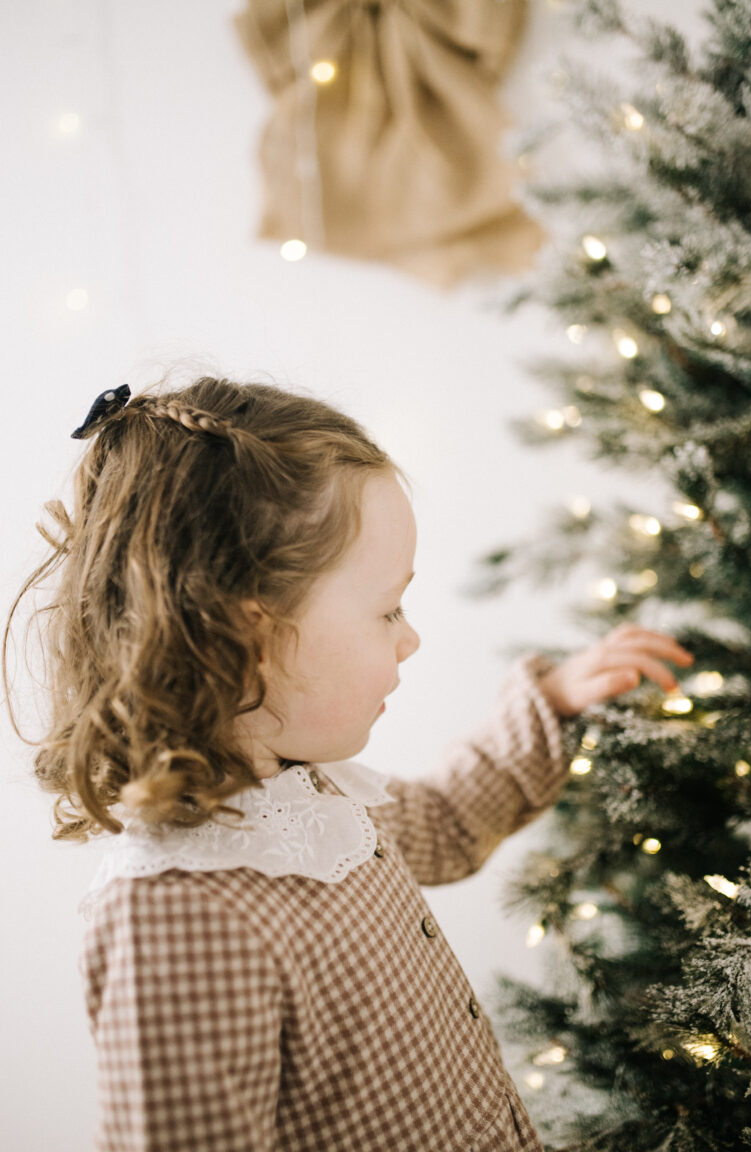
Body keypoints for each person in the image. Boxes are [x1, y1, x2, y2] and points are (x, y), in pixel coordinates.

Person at [3, 375, 694, 1152]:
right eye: (388, 609)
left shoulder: (302, 791)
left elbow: (443, 822)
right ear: (251, 634)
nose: (410, 638)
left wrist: (553, 703)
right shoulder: (175, 913)